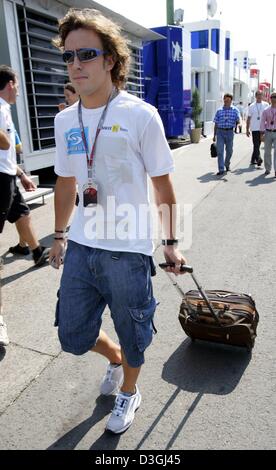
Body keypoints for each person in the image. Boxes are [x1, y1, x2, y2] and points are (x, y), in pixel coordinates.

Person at [49, 8, 187, 435]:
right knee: (72, 336)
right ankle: (113, 360)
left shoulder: (140, 114)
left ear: (110, 59)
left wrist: (170, 241)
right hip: (84, 246)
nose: (76, 65)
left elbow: (163, 187)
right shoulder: (63, 120)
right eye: (69, 57)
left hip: (128, 250)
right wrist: (58, 234)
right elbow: (65, 181)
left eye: (86, 54)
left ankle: (129, 389)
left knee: (135, 334)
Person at [0, 65, 50, 266]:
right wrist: (5, 141)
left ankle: (35, 251)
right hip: (1, 178)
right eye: (18, 86)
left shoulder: (4, 108)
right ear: (10, 84)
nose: (19, 91)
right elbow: (5, 144)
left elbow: (8, 152)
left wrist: (21, 175)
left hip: (8, 174)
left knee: (22, 212)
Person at [213, 93, 240, 175]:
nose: (227, 101)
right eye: (225, 99)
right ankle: (221, 169)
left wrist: (239, 124)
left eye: (228, 100)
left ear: (231, 101)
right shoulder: (219, 111)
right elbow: (216, 124)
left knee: (229, 151)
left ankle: (227, 164)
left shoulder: (235, 110)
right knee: (220, 151)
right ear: (223, 100)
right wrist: (214, 135)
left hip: (230, 132)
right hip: (220, 132)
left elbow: (238, 119)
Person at [246, 91, 269, 166]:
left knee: (258, 144)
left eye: (260, 95)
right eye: (258, 95)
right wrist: (247, 129)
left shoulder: (266, 105)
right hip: (254, 128)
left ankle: (253, 159)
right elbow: (248, 118)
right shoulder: (252, 106)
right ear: (255, 96)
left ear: (262, 96)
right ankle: (258, 158)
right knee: (256, 144)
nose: (259, 96)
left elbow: (269, 116)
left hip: (263, 128)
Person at [260, 91, 276, 178]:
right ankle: (267, 168)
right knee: (267, 152)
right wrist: (261, 134)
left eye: (275, 97)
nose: (274, 99)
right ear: (270, 99)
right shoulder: (266, 110)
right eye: (273, 97)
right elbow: (262, 122)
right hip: (268, 132)